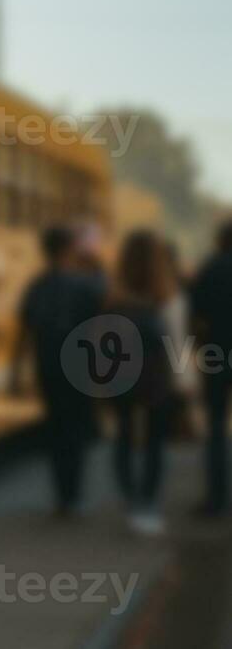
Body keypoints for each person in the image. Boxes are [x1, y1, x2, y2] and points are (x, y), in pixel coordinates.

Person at [13, 224, 104, 517]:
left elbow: (24, 331)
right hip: (78, 367)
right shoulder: (84, 286)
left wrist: (17, 372)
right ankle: (73, 496)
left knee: (55, 428)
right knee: (75, 432)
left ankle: (61, 497)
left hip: (47, 366)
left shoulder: (36, 286)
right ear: (69, 250)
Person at [104, 229, 182, 537]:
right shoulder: (161, 301)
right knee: (154, 444)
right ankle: (146, 504)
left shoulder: (114, 300)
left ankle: (132, 498)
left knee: (124, 437)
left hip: (121, 379)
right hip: (154, 381)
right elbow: (172, 346)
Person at [190, 221, 232, 517]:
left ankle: (216, 499)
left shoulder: (211, 268)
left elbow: (195, 313)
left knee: (216, 426)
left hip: (216, 354)